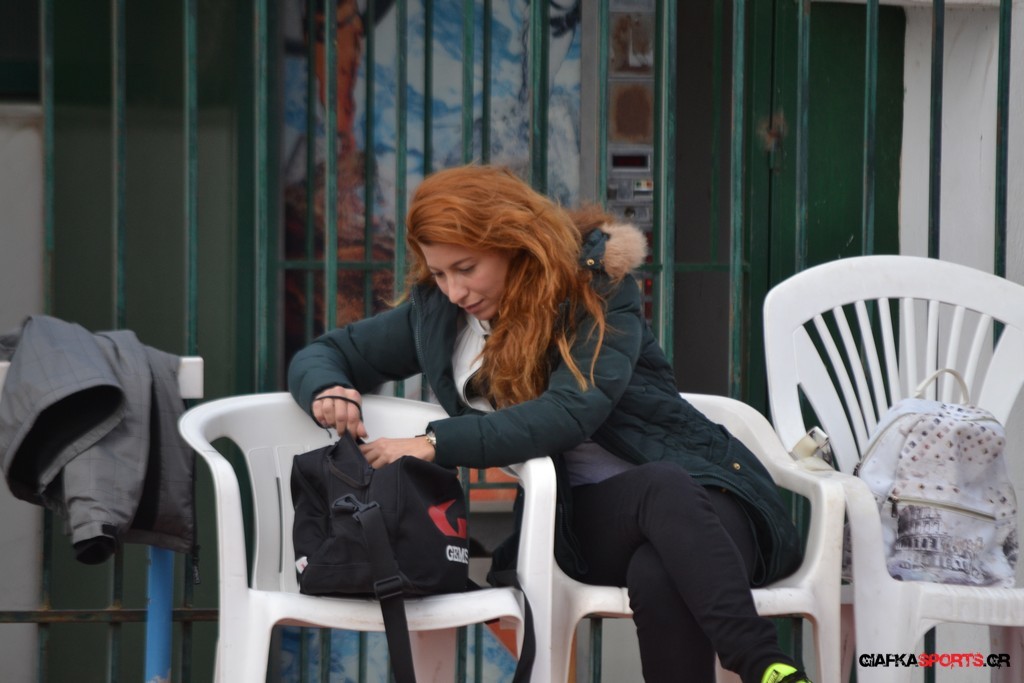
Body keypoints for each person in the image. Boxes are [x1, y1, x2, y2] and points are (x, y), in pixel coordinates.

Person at [288, 165, 812, 683]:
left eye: (466, 268)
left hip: (705, 498)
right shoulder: (439, 318)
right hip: (581, 522)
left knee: (658, 562)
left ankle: (762, 664)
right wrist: (328, 388)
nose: (454, 291)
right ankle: (772, 669)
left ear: (513, 242)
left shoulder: (596, 291)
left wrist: (432, 443)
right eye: (440, 273)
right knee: (660, 499)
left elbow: (569, 412)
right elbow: (326, 352)